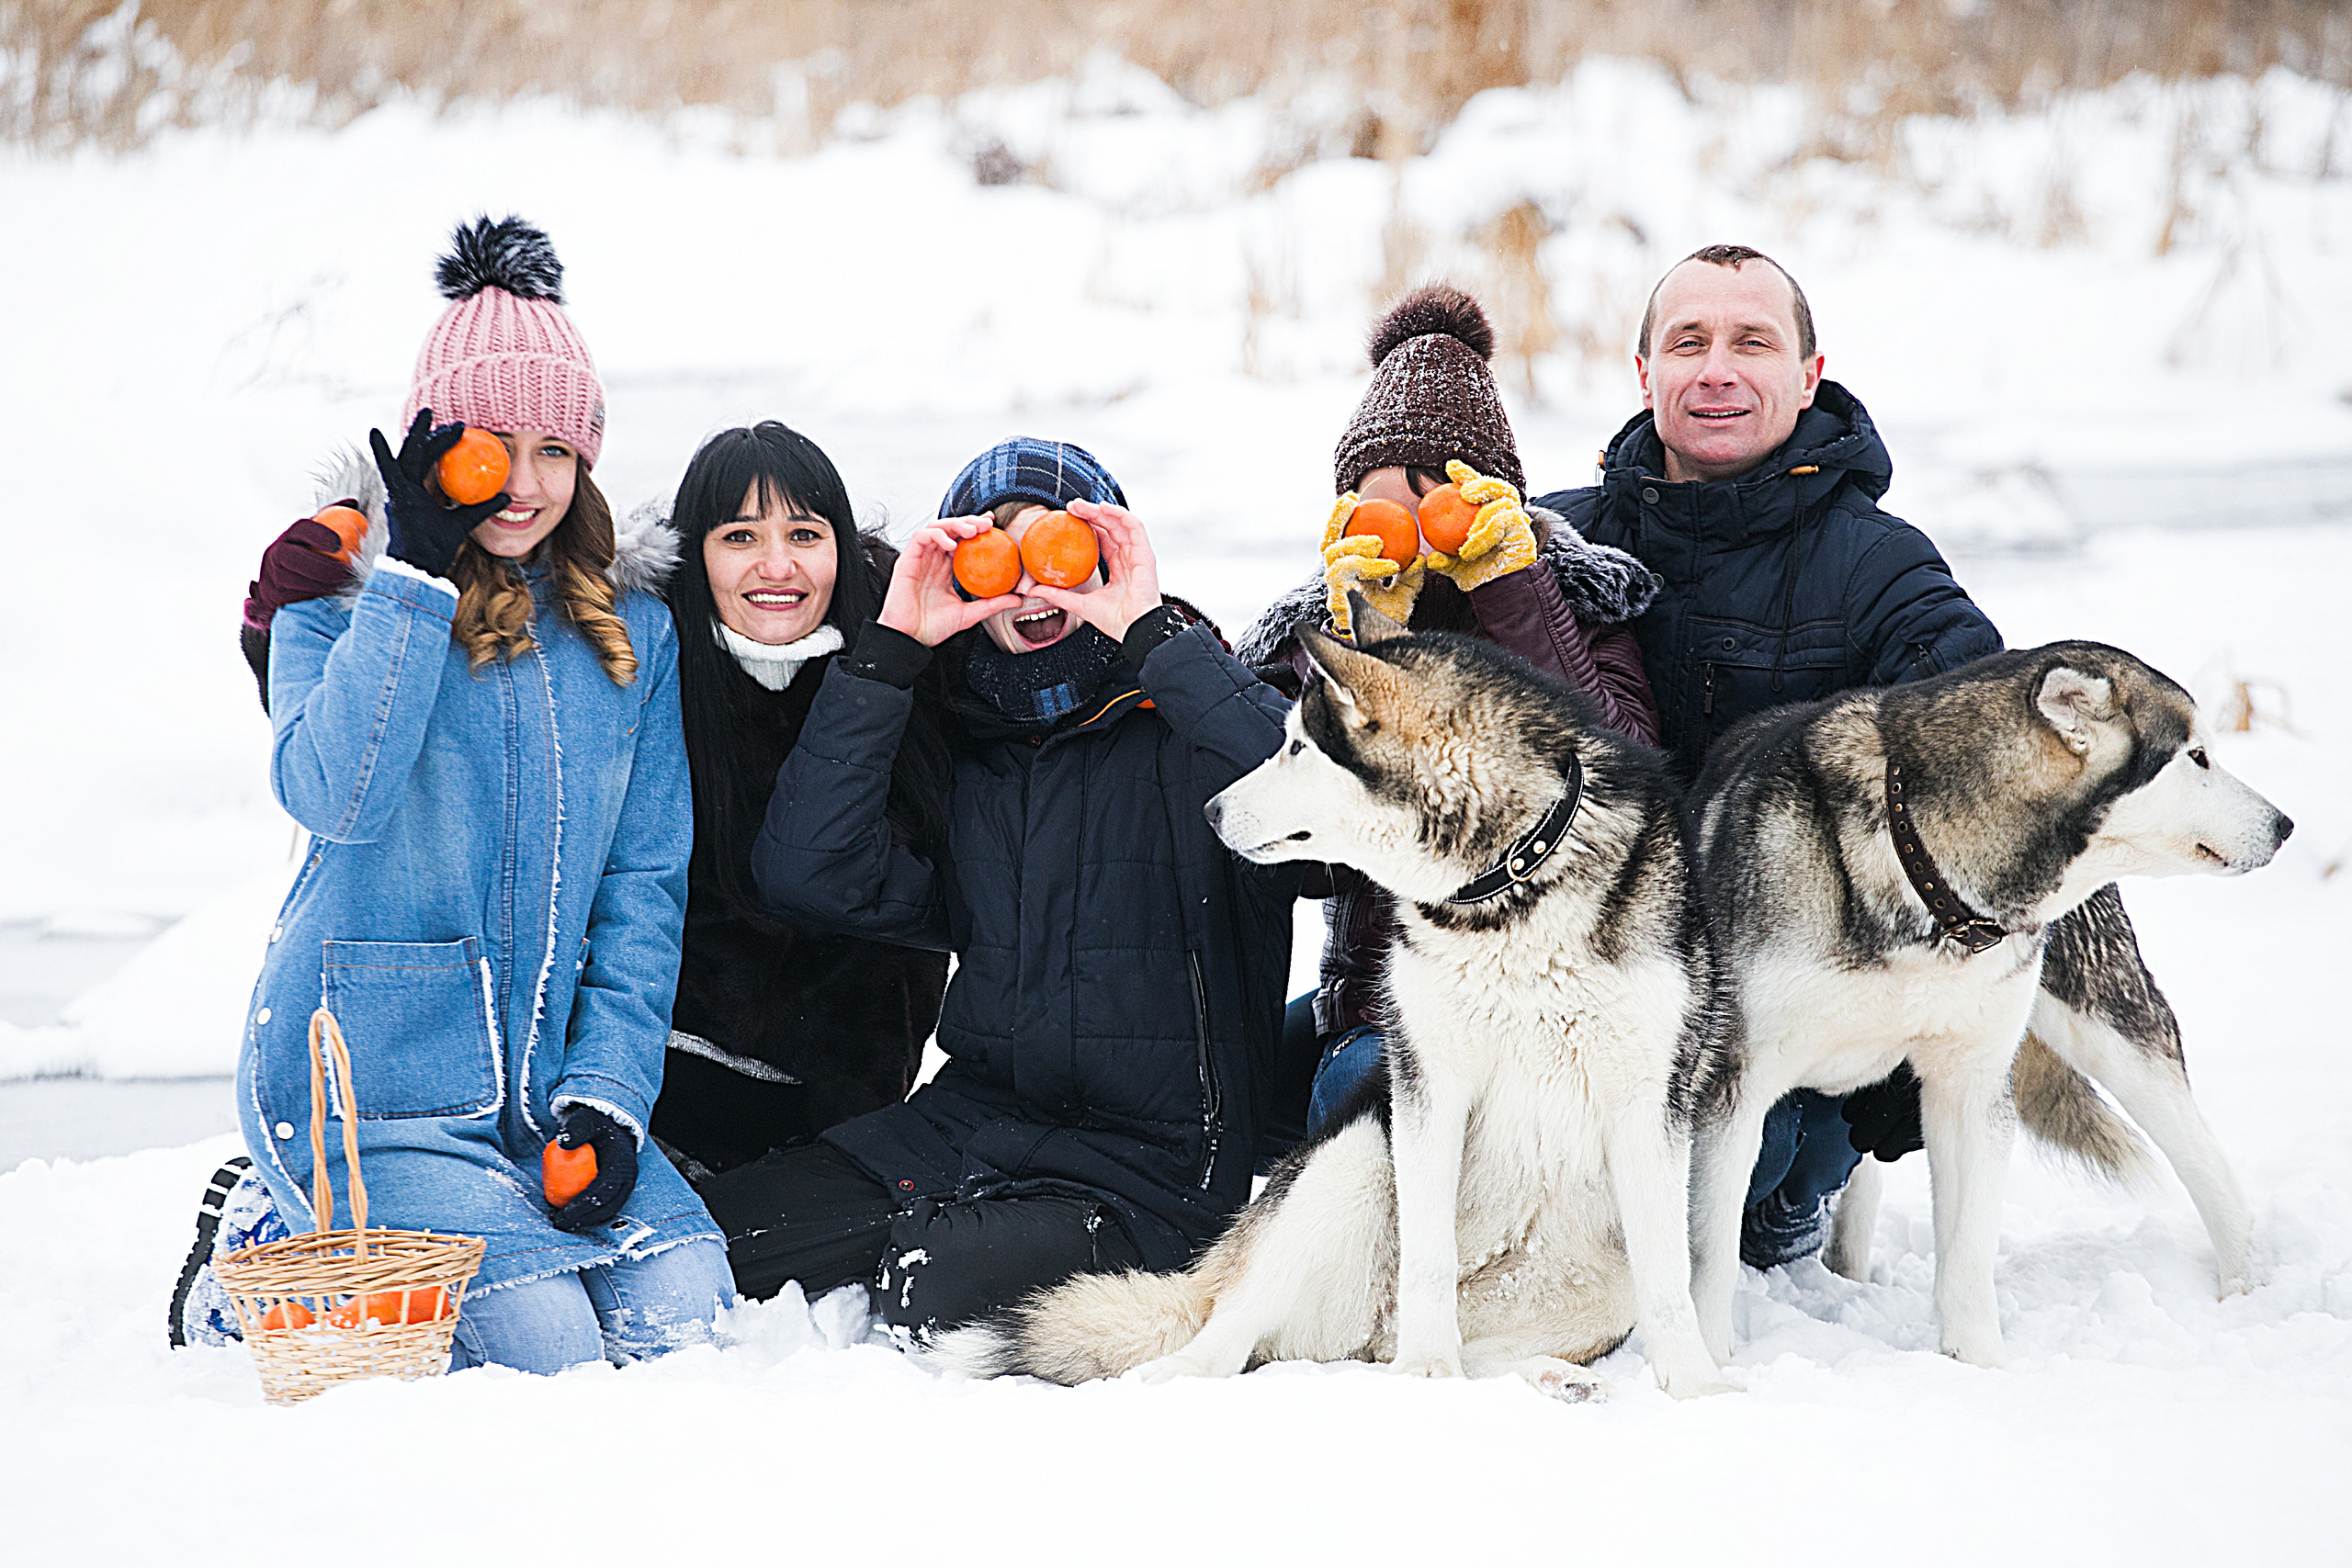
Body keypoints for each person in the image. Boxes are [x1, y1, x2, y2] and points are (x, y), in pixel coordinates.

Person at [175, 216, 729, 1372]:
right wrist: (415, 582)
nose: (522, 486)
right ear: (435, 444)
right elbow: (335, 795)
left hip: (539, 1098)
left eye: (555, 452)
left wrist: (609, 1096)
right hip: (372, 1093)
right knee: (547, 1351)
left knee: (687, 1316)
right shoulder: (340, 595)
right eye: (492, 446)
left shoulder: (633, 633)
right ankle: (268, 1223)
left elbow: (643, 885)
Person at [693, 437, 1305, 1335]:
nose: (1028, 584)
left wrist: (1152, 632)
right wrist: (893, 650)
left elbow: (1327, 815)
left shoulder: (1189, 726)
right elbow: (808, 873)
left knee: (932, 1287)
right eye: (997, 558)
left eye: (1055, 553)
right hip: (966, 1129)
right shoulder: (962, 743)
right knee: (717, 1243)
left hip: (1150, 1170)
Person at [1529, 243, 2005, 1269]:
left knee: (1739, 1161)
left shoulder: (1879, 565)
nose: (1716, 370)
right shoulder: (1549, 545)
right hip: (1590, 987)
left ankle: (1799, 1187)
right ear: (1643, 371)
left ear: (1807, 375)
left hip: (1798, 1016)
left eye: (1752, 341)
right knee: (1317, 1077)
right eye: (1686, 342)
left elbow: (1989, 754)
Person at [1234, 285, 1664, 1137]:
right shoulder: (1312, 633)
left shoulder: (1574, 599)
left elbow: (1626, 780)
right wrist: (1368, 646)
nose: (1418, 534)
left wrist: (1514, 592)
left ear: (1495, 499)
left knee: (1368, 1105)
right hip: (1377, 993)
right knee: (1244, 1091)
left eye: (1440, 501)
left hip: (1552, 1004)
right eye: (1385, 504)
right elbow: (1296, 856)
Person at [649, 422, 951, 1175]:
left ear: (841, 549)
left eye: (805, 533)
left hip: (846, 1104)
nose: (776, 566)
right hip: (666, 1086)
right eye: (740, 536)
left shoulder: (909, 658)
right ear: (695, 552)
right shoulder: (648, 670)